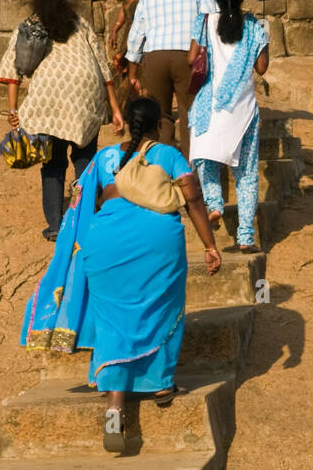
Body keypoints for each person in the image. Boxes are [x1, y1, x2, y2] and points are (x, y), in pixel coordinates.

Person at [21, 96, 221, 451]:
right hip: (157, 244)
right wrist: (210, 246)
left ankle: (115, 403)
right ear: (159, 125)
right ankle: (160, 383)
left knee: (112, 318)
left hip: (104, 244)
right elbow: (193, 201)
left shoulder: (103, 158)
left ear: (126, 123)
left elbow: (83, 205)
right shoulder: (169, 156)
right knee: (161, 306)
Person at [0, 0, 125, 241]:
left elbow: (12, 72)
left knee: (53, 166)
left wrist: (13, 111)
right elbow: (103, 68)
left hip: (49, 99)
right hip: (85, 94)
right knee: (85, 161)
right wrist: (115, 108)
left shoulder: (30, 25)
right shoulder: (81, 24)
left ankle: (56, 226)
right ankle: (86, 219)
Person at [188, 0, 270, 253]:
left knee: (205, 158)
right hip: (242, 108)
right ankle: (245, 237)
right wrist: (265, 40)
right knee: (245, 173)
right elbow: (262, 68)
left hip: (210, 106)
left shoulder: (204, 22)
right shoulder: (254, 26)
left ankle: (214, 204)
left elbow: (192, 59)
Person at [126, 0, 198, 158]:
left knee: (162, 116)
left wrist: (132, 73)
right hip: (187, 57)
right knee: (189, 114)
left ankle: (164, 167)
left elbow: (136, 36)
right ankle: (189, 172)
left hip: (155, 57)